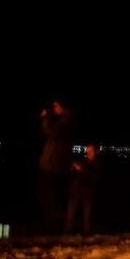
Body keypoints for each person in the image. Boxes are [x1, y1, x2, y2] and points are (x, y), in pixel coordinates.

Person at [39, 99, 75, 233]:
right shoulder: (63, 121)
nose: (54, 109)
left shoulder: (67, 121)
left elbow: (51, 133)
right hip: (51, 165)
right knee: (49, 199)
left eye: (56, 106)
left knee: (52, 199)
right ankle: (51, 227)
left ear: (63, 106)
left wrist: (45, 118)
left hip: (53, 166)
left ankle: (53, 229)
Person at [66, 143, 100, 234]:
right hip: (75, 191)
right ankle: (68, 231)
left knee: (87, 216)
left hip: (87, 193)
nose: (88, 153)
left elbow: (93, 178)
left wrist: (81, 170)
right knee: (70, 215)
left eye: (91, 151)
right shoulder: (84, 161)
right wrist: (73, 169)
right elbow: (74, 175)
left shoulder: (97, 164)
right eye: (87, 151)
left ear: (95, 152)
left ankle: (86, 232)